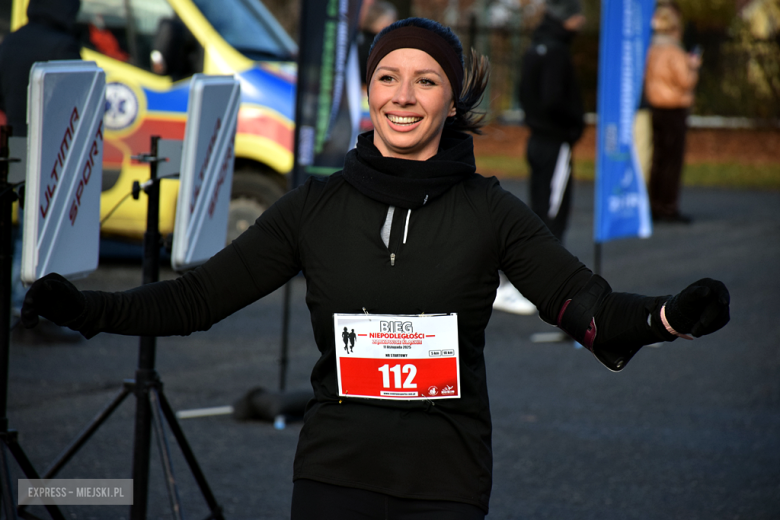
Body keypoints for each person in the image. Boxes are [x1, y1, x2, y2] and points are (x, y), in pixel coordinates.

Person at [21, 17, 730, 520]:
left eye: (425, 81)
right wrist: (90, 311)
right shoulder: (315, 207)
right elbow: (198, 299)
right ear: (369, 91)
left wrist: (665, 318)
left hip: (445, 482)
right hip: (334, 475)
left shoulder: (490, 210)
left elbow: (584, 303)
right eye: (388, 77)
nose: (403, 95)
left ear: (452, 100)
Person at [0, 0, 83, 343]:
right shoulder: (63, 46)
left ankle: (16, 304)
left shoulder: (12, 41)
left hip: (14, 147)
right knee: (42, 234)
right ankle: (32, 307)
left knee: (17, 232)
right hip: (51, 151)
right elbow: (77, 101)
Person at [518, 0, 586, 244]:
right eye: (578, 15)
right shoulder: (556, 50)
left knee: (541, 209)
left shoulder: (536, 46)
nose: (583, 21)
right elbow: (553, 99)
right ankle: (548, 276)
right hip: (554, 141)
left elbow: (523, 92)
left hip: (537, 139)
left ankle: (538, 270)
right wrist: (574, 123)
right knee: (552, 215)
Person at [644, 2, 701, 223]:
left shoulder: (652, 48)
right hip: (674, 108)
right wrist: (693, 66)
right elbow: (685, 81)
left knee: (658, 159)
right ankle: (668, 206)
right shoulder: (673, 51)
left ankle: (655, 204)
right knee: (671, 161)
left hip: (656, 107)